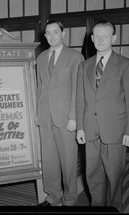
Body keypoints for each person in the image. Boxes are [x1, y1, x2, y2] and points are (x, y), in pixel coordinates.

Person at [76, 20, 129, 212]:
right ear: (92, 39)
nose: (101, 40)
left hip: (116, 131)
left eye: (106, 36)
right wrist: (80, 127)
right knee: (93, 176)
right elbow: (80, 100)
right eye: (97, 36)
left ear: (114, 37)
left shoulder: (126, 65)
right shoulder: (84, 66)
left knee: (114, 177)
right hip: (90, 130)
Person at [36, 20, 84, 206]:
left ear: (63, 34)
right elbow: (40, 87)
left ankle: (70, 197)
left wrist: (74, 117)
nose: (52, 36)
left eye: (55, 32)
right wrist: (38, 112)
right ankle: (52, 195)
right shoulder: (41, 58)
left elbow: (78, 89)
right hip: (45, 116)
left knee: (68, 161)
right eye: (48, 33)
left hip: (66, 118)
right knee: (49, 160)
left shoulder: (75, 57)